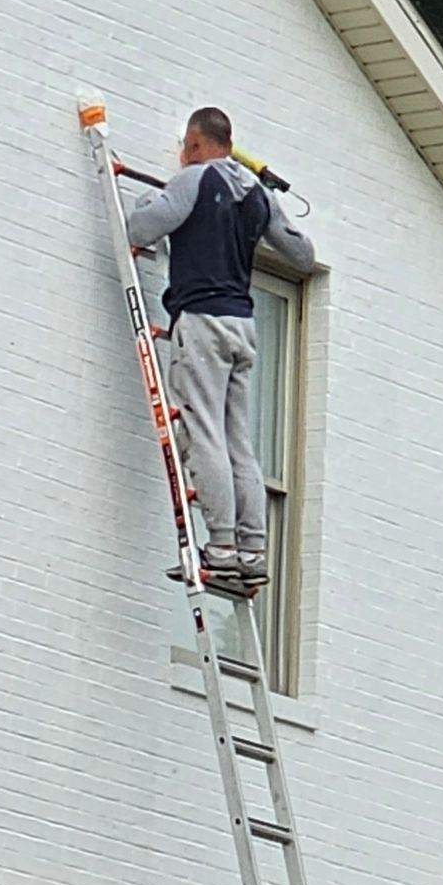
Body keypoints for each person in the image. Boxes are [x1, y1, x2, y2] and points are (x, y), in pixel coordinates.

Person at [124, 105, 316, 598]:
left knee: (204, 431)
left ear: (193, 143)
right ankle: (252, 552)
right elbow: (302, 255)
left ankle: (223, 550)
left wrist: (154, 197)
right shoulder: (257, 195)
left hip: (203, 321)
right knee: (238, 441)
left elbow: (139, 230)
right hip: (243, 325)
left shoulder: (193, 180)